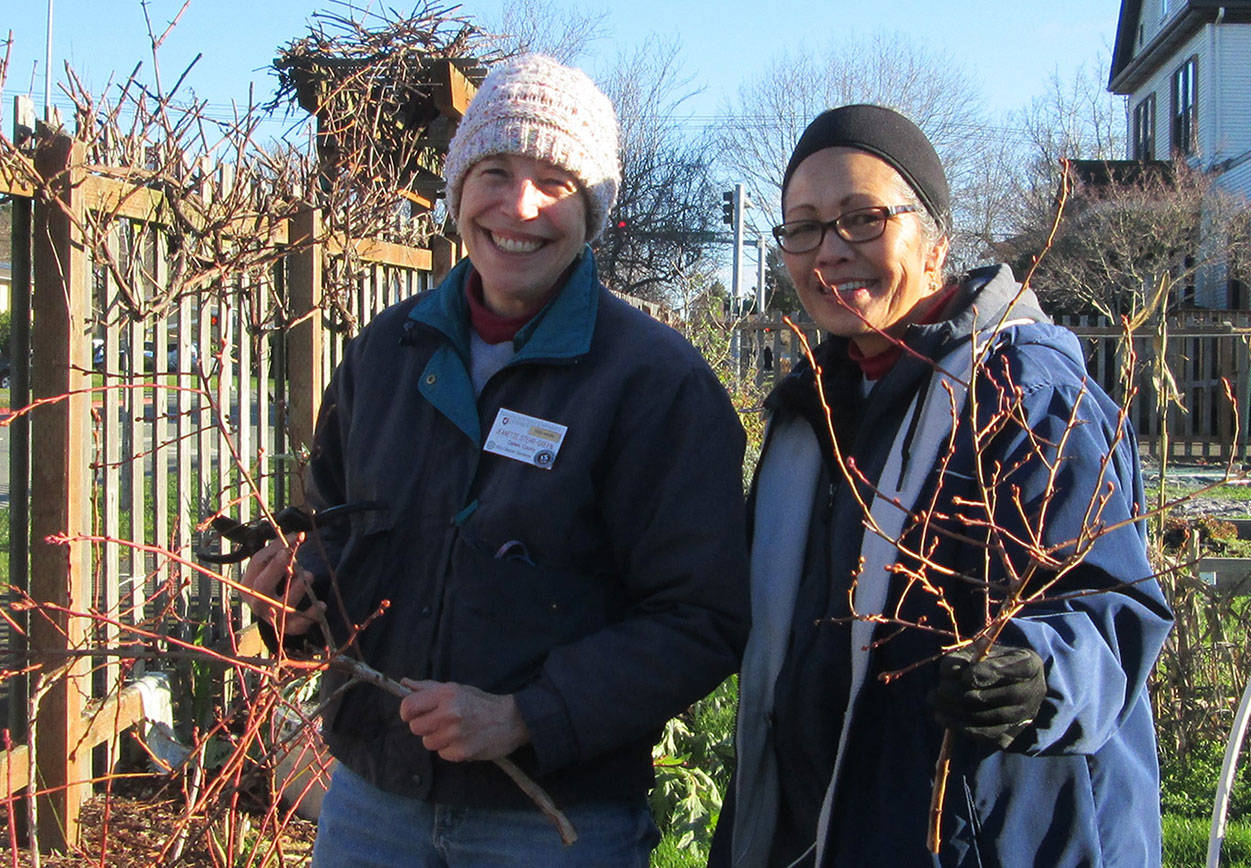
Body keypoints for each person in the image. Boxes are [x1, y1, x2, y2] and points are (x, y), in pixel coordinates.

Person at [241, 53, 749, 867]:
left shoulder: (655, 385)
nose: (520, 206)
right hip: (374, 804)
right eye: (495, 172)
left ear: (594, 213)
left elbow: (702, 619)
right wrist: (299, 604)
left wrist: (524, 716)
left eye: (556, 182)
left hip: (550, 824)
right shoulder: (387, 353)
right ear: (456, 193)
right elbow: (333, 531)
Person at [708, 105, 1173, 867]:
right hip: (822, 824)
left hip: (988, 834)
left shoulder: (1027, 396)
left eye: (862, 219)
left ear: (936, 245)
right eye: (804, 227)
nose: (831, 250)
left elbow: (1108, 603)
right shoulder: (815, 413)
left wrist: (1038, 672)